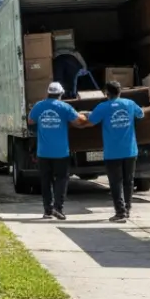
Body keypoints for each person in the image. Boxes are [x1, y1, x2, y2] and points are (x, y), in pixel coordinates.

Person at [89, 81, 150, 222]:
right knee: (128, 181)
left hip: (112, 152)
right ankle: (127, 209)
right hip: (130, 151)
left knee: (115, 182)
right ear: (120, 91)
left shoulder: (103, 107)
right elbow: (141, 115)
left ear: (107, 93)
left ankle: (120, 212)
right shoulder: (129, 104)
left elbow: (91, 120)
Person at [28, 82, 88, 220]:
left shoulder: (39, 106)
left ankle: (47, 210)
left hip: (43, 152)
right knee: (61, 180)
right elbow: (78, 121)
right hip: (61, 152)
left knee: (45, 181)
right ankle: (58, 208)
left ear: (48, 93)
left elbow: (31, 121)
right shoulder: (65, 107)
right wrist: (86, 116)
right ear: (61, 94)